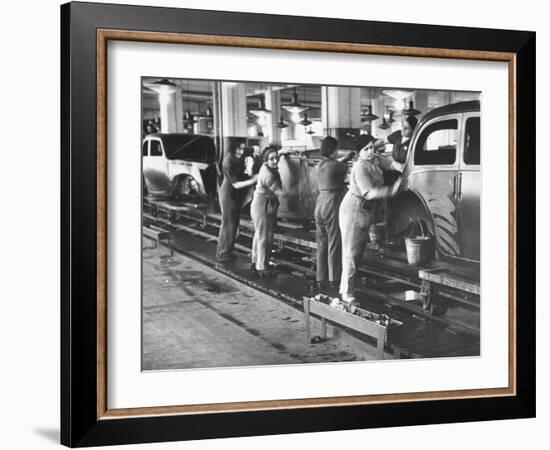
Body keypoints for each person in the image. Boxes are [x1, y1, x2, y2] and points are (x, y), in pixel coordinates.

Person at [339, 134, 403, 304]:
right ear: (358, 152)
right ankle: (346, 293)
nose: (370, 151)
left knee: (358, 253)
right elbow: (369, 192)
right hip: (353, 209)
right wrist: (392, 190)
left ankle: (349, 287)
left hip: (366, 209)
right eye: (365, 149)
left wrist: (402, 169)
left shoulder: (374, 159)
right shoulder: (359, 167)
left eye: (371, 147)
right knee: (351, 253)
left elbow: (390, 163)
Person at [314, 136, 354, 288]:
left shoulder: (320, 165)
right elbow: (343, 168)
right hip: (331, 202)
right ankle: (334, 279)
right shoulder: (336, 166)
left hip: (319, 203)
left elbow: (335, 164)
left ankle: (320, 278)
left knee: (322, 242)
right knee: (334, 241)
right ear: (333, 150)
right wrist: (349, 158)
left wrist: (344, 157)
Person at [216, 142, 257, 262]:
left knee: (234, 224)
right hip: (228, 193)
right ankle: (222, 254)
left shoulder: (240, 155)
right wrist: (253, 180)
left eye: (243, 149)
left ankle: (228, 251)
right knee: (228, 223)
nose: (241, 151)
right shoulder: (228, 162)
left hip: (236, 194)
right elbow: (236, 184)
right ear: (233, 148)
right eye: (239, 149)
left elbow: (253, 150)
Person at [250, 147, 283, 277]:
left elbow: (274, 156)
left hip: (264, 203)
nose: (275, 161)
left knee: (259, 234)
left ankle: (255, 261)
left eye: (276, 158)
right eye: (272, 159)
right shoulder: (268, 175)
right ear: (265, 160)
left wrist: (281, 153)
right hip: (262, 205)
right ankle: (261, 268)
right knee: (264, 237)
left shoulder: (267, 167)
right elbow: (280, 193)